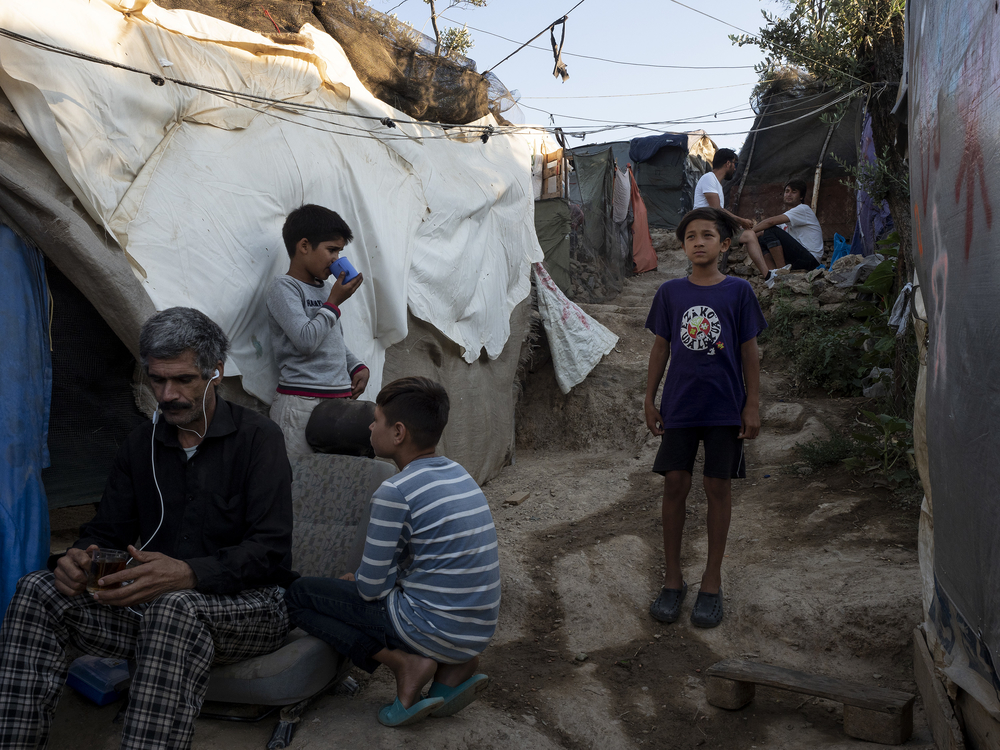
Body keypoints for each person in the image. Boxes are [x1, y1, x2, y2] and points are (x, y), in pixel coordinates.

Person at [0, 307, 297, 750]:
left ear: (215, 372)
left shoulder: (259, 439)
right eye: (157, 380)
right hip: (156, 611)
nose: (168, 394)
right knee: (37, 590)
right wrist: (80, 556)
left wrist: (190, 574)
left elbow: (270, 551)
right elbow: (107, 528)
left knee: (174, 607)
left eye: (183, 380)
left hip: (252, 606)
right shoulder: (142, 444)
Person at [285, 377, 500, 727]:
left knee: (298, 595)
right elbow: (427, 557)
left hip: (430, 626)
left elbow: (371, 589)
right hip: (476, 629)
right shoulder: (458, 473)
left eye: (377, 420)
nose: (370, 426)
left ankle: (404, 663)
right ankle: (453, 667)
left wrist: (364, 581)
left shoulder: (396, 490)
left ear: (398, 433)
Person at [643, 208, 766, 629]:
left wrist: (752, 404)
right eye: (691, 236)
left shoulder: (738, 292)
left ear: (725, 244)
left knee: (717, 486)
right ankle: (673, 580)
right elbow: (661, 348)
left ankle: (711, 582)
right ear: (683, 246)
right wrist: (649, 398)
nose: (699, 242)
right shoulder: (670, 293)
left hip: (724, 406)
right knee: (675, 483)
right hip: (680, 405)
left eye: (708, 235)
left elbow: (750, 352)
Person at [267, 204, 370, 455]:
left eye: (340, 251)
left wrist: (356, 366)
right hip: (301, 402)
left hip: (337, 402)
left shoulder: (325, 288)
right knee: (297, 480)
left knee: (331, 481)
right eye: (331, 250)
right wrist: (333, 303)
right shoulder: (284, 288)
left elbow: (331, 339)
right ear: (304, 246)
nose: (337, 259)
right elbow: (306, 340)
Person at [693, 149, 769, 278]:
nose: (735, 168)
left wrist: (735, 225)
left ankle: (768, 275)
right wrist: (740, 221)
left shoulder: (716, 183)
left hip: (713, 229)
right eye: (735, 164)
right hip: (702, 230)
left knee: (749, 235)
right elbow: (717, 209)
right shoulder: (708, 178)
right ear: (728, 163)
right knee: (698, 274)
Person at [752, 178, 824, 275]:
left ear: (801, 196)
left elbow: (770, 222)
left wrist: (750, 232)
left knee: (770, 230)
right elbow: (763, 232)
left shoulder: (803, 209)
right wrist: (751, 237)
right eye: (787, 191)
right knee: (761, 238)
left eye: (794, 192)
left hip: (810, 259)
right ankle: (772, 275)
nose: (789, 194)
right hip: (797, 258)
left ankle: (781, 272)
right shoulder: (787, 217)